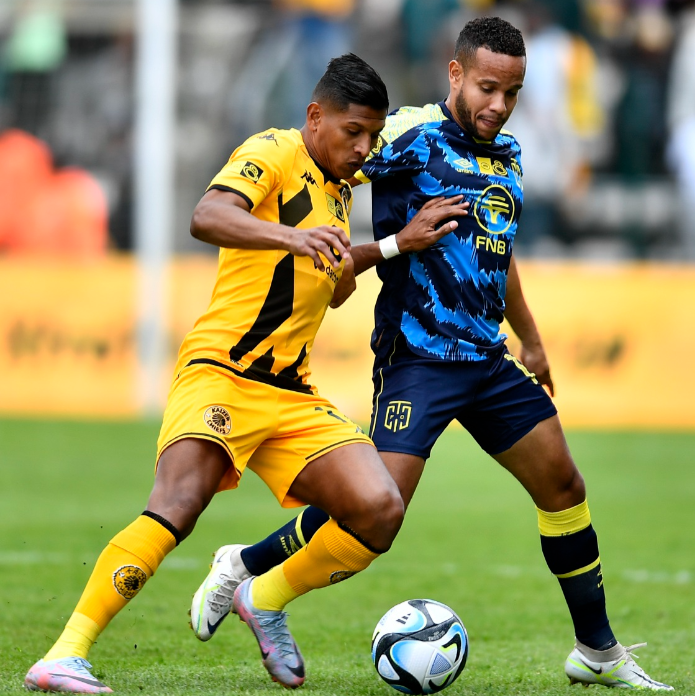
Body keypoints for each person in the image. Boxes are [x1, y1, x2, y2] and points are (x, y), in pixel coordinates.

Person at [189, 18, 673, 692]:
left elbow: (497, 255)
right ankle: (248, 569)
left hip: (486, 360)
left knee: (563, 486)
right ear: (454, 75)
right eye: (485, 88)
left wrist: (528, 339)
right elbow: (329, 155)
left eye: (511, 92)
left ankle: (596, 652)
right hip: (415, 358)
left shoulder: (508, 155)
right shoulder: (405, 135)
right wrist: (331, 249)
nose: (497, 105)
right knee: (374, 513)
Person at [23, 53, 469, 694]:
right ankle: (65, 653)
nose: (365, 149)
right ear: (316, 116)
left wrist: (396, 244)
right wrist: (293, 238)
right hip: (223, 372)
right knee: (179, 503)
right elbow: (207, 215)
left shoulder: (340, 189)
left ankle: (261, 596)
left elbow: (335, 284)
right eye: (353, 133)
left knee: (379, 510)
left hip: (291, 392)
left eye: (373, 136)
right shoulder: (276, 151)